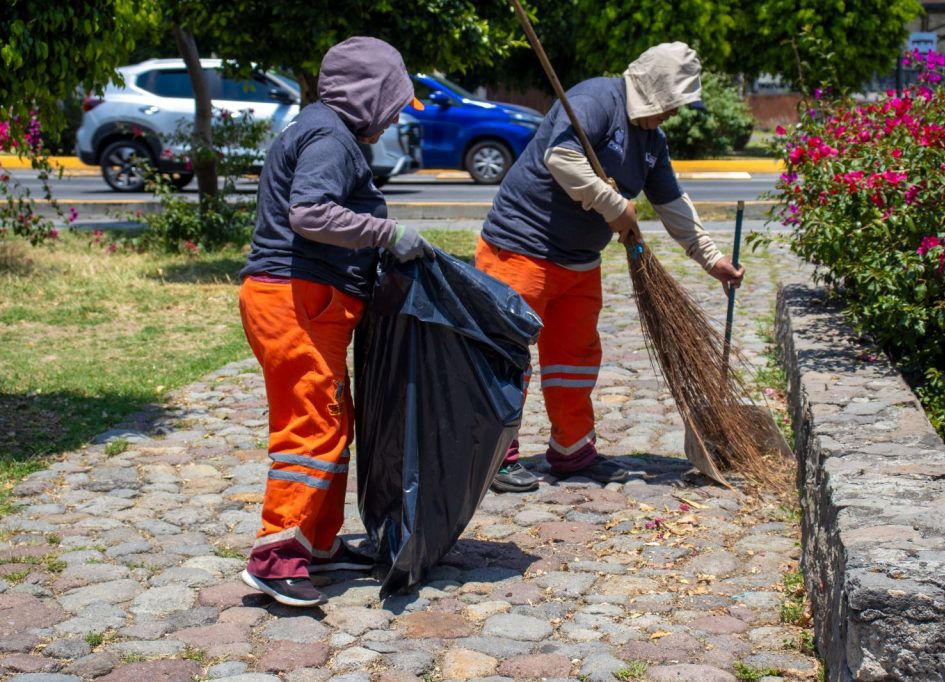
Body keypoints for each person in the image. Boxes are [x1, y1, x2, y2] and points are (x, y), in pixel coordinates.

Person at [478, 42, 745, 493]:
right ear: (655, 89)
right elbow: (562, 158)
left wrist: (712, 258)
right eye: (674, 102)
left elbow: (672, 204)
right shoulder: (596, 100)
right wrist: (615, 205)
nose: (674, 114)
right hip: (521, 251)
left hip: (580, 262)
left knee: (575, 360)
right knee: (506, 356)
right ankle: (494, 456)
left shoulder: (652, 141)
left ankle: (572, 450)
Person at [237, 37, 434, 607]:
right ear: (367, 94)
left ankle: (317, 543)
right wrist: (385, 233)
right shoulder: (329, 137)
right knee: (314, 425)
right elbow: (310, 213)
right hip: (295, 298)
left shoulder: (326, 129)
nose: (395, 117)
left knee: (332, 420)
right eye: (392, 104)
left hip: (306, 300)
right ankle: (276, 558)